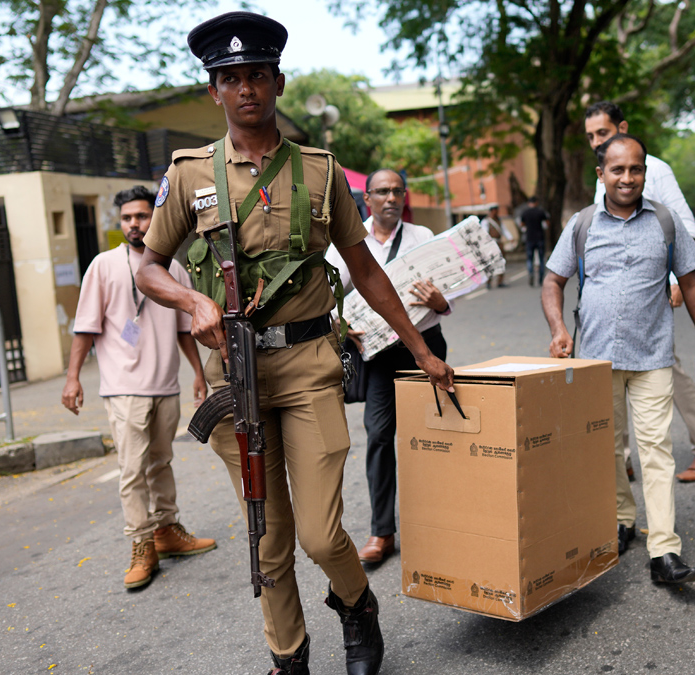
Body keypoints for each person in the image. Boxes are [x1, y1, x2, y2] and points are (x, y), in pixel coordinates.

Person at [132, 12, 454, 674]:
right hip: (235, 378)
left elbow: (365, 269)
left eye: (256, 75)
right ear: (213, 92)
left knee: (317, 532)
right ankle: (290, 654)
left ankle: (357, 605)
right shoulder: (190, 175)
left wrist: (421, 352)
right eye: (230, 78)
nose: (245, 88)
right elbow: (148, 265)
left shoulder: (319, 171)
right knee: (269, 537)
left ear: (277, 82)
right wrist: (192, 300)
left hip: (308, 365)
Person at [542, 132, 695, 584]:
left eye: (635, 169)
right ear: (600, 174)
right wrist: (559, 329)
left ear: (645, 172)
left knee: (656, 449)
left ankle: (664, 551)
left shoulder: (665, 222)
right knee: (606, 449)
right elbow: (552, 282)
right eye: (617, 169)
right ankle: (623, 519)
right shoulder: (582, 224)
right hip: (596, 359)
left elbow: (692, 283)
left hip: (652, 357)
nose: (627, 177)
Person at [62, 185, 214, 591]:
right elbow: (85, 327)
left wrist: (197, 373)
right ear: (121, 222)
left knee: (161, 462)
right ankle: (141, 542)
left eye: (142, 216)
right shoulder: (102, 266)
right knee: (132, 470)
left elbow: (186, 328)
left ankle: (166, 531)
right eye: (128, 217)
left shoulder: (173, 269)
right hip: (123, 387)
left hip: (165, 385)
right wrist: (73, 377)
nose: (134, 224)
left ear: (155, 219)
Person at [584, 101, 695, 482]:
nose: (596, 140)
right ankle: (629, 456)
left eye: (603, 132)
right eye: (591, 136)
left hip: (654, 292)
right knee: (622, 370)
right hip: (616, 301)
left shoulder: (654, 170)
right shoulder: (605, 172)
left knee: (665, 368)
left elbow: (685, 227)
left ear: (623, 127)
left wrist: (674, 280)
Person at [324, 169, 452, 566]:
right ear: (367, 198)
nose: (390, 198)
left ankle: (442, 523)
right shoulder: (349, 241)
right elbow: (325, 296)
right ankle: (383, 532)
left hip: (426, 347)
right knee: (379, 436)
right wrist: (341, 325)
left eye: (397, 191)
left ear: (405, 196)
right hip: (379, 355)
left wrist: (440, 302)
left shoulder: (424, 238)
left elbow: (452, 289)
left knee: (436, 433)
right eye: (382, 191)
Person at [519, 196, 549, 286]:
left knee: (529, 259)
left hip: (529, 238)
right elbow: (547, 224)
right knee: (541, 258)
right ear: (536, 202)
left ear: (529, 203)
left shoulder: (525, 213)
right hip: (540, 238)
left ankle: (531, 273)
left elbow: (522, 224)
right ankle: (540, 277)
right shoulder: (541, 212)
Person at [480, 204, 509, 289]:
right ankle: (489, 282)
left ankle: (500, 281)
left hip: (499, 243)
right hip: (490, 244)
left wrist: (510, 238)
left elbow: (504, 230)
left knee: (501, 262)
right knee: (490, 264)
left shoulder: (499, 220)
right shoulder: (486, 221)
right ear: (492, 211)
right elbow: (484, 233)